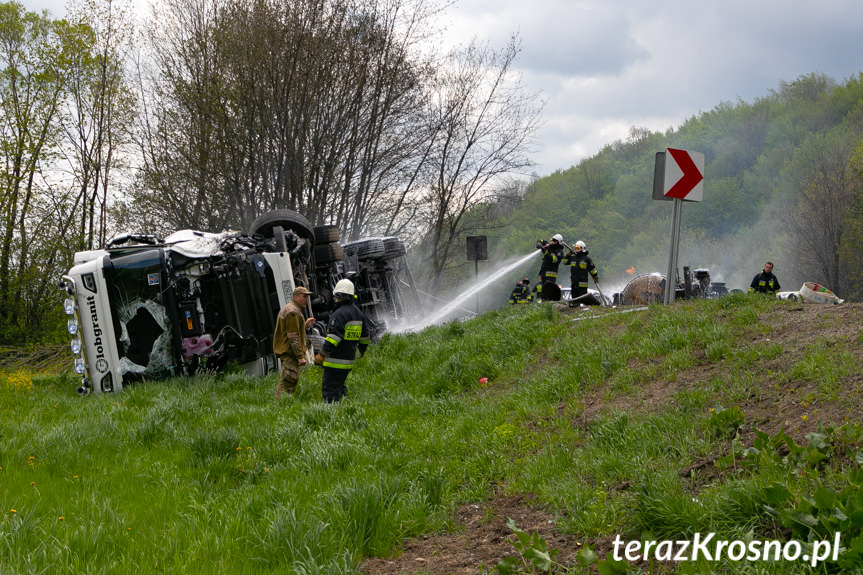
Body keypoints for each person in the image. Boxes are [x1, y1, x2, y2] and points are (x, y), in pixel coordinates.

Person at [314, 279, 370, 403]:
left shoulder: (338, 314)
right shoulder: (358, 313)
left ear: (339, 296)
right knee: (339, 386)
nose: (334, 299)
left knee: (330, 390)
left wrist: (321, 354)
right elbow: (365, 336)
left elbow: (334, 338)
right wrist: (362, 350)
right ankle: (345, 407)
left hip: (335, 361)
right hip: (348, 360)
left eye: (336, 297)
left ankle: (332, 414)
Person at [272, 286, 316, 400]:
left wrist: (304, 325)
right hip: (290, 353)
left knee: (286, 380)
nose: (307, 299)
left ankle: (281, 406)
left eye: (308, 296)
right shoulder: (293, 312)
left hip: (288, 351)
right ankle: (281, 406)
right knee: (288, 382)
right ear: (295, 297)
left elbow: (291, 330)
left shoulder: (290, 308)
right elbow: (292, 337)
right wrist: (300, 356)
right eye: (304, 296)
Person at [536, 234, 564, 301]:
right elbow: (541, 240)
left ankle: (550, 304)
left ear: (559, 242)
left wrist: (545, 252)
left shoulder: (559, 252)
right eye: (553, 241)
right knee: (543, 291)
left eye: (555, 241)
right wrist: (539, 244)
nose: (553, 242)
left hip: (551, 275)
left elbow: (554, 260)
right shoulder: (549, 247)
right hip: (544, 273)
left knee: (549, 291)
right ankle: (544, 304)